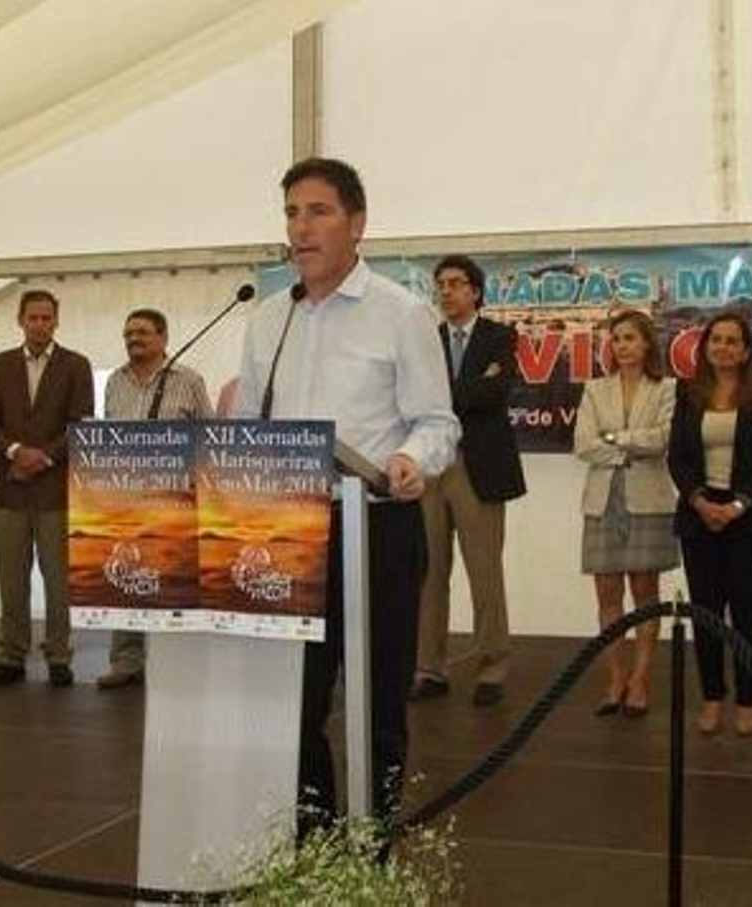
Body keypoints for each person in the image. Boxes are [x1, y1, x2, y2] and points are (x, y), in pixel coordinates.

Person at [234, 158, 458, 830]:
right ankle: (312, 846)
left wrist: (409, 459)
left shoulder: (402, 314)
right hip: (286, 538)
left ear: (357, 224)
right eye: (291, 213)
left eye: (318, 211)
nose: (300, 228)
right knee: (292, 708)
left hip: (375, 530)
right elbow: (248, 425)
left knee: (372, 706)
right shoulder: (269, 319)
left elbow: (437, 423)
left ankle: (372, 853)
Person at [667, 311, 752, 738]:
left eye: (731, 341)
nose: (722, 347)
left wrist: (738, 505)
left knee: (746, 610)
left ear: (746, 350)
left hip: (750, 516)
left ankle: (748, 700)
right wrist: (700, 501)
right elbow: (678, 457)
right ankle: (712, 697)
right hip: (699, 514)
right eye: (715, 340)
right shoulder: (687, 392)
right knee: (705, 612)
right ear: (705, 348)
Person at [412, 254, 526, 709]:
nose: (446, 291)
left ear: (475, 291)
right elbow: (418, 397)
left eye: (456, 283)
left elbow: (496, 391)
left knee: (485, 572)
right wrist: (469, 388)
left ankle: (491, 666)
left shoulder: (499, 336)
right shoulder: (426, 340)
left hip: (479, 468)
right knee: (429, 575)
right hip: (430, 467)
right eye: (440, 284)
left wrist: (448, 393)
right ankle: (429, 667)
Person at [0, 289, 94, 689]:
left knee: (58, 579)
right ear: (20, 320)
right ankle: (11, 655)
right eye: (33, 318)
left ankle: (59, 655)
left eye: (46, 318)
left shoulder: (76, 366)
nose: (40, 324)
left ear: (56, 321)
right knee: (12, 577)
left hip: (55, 488)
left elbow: (81, 423)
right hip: (8, 487)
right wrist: (14, 451)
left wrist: (41, 458)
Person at [95, 308, 213, 690]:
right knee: (126, 577)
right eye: (128, 333)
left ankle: (174, 662)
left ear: (164, 338)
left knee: (173, 582)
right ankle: (126, 662)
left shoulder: (189, 380)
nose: (134, 339)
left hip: (176, 500)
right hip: (126, 500)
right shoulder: (115, 381)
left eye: (143, 332)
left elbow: (208, 437)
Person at [573, 309, 678, 718]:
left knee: (645, 595)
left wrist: (613, 439)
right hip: (602, 501)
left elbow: (663, 440)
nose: (623, 345)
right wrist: (630, 446)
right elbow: (583, 444)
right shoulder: (595, 389)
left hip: (647, 500)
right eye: (616, 339)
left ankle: (641, 680)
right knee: (607, 597)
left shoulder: (667, 388)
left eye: (630, 338)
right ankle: (614, 679)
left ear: (647, 343)